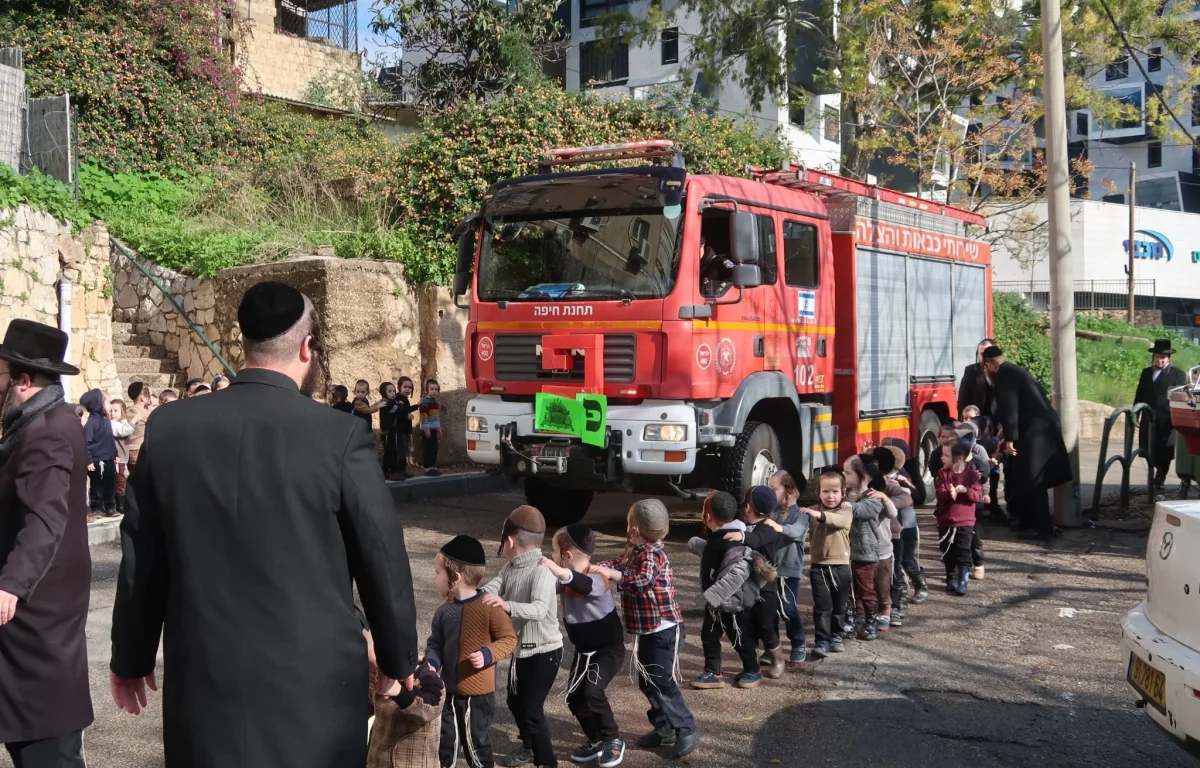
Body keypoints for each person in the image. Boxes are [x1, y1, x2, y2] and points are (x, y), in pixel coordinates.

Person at [109, 280, 420, 768]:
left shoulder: (171, 428)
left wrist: (131, 658)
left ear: (243, 343)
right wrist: (398, 659)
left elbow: (142, 558)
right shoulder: (338, 435)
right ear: (306, 347)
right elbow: (381, 552)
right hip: (314, 692)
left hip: (205, 685)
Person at [0, 320, 93, 768]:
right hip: (40, 617)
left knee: (46, 744)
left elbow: (45, 518)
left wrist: (12, 584)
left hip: (37, 619)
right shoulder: (42, 420)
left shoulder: (47, 431)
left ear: (21, 381)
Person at [592, 500, 698, 759]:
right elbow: (621, 563)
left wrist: (615, 576)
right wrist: (601, 567)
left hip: (664, 629)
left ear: (635, 529)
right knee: (648, 682)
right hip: (648, 630)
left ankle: (686, 728)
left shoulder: (652, 554)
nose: (627, 528)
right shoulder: (636, 549)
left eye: (628, 524)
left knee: (662, 682)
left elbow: (642, 581)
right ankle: (665, 728)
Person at [479, 506, 562, 768]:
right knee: (515, 701)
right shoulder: (511, 567)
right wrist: (474, 593)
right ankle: (528, 745)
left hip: (545, 651)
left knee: (532, 708)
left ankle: (546, 761)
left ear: (510, 541)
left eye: (502, 540)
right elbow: (494, 587)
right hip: (522, 650)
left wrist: (507, 606)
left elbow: (538, 609)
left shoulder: (541, 570)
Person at [428, 535, 517, 768]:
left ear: (455, 578)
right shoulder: (443, 612)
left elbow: (509, 639)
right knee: (445, 744)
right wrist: (432, 663)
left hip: (477, 696)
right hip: (448, 691)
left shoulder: (489, 607)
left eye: (438, 572)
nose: (435, 577)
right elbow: (435, 643)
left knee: (476, 745)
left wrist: (488, 654)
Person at [541, 525, 627, 768]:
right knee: (574, 697)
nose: (553, 557)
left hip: (608, 649)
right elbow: (548, 587)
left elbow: (581, 584)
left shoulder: (597, 578)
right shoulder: (565, 578)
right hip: (584, 650)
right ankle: (596, 738)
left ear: (567, 556)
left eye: (554, 552)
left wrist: (556, 570)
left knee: (592, 691)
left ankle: (613, 739)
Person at [983, 345, 1073, 543]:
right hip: (1036, 431)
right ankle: (1027, 521)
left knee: (1034, 480)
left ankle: (1041, 528)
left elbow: (1010, 408)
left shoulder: (1004, 376)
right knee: (1024, 478)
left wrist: (1010, 438)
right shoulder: (1013, 371)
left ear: (988, 365)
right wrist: (1007, 433)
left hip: (1036, 433)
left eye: (985, 368)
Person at [687, 491, 757, 690]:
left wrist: (715, 596)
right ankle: (713, 672)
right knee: (709, 635)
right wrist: (699, 546)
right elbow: (716, 560)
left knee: (739, 636)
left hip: (731, 602)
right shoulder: (723, 537)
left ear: (707, 516)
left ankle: (752, 669)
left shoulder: (725, 541)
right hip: (716, 602)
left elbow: (737, 571)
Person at [725, 486, 786, 679]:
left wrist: (741, 537)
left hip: (765, 586)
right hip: (746, 585)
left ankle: (778, 658)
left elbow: (757, 539)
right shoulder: (743, 525)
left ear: (749, 506)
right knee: (748, 623)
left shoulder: (768, 528)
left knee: (766, 624)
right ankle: (750, 664)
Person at [803, 470, 854, 659]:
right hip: (818, 566)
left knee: (839, 605)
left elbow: (840, 521)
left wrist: (818, 514)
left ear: (843, 493)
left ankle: (836, 636)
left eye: (835, 491)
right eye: (826, 491)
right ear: (818, 492)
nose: (830, 496)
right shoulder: (812, 511)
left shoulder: (846, 509)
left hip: (841, 566)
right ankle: (822, 641)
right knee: (822, 606)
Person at [760, 470, 808, 664]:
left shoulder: (801, 514)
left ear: (791, 491)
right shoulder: (771, 512)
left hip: (789, 571)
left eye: (774, 489)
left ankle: (798, 642)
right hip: (769, 570)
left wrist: (778, 527)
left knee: (787, 608)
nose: (771, 493)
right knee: (768, 611)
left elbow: (797, 531)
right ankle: (771, 648)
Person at [844, 455, 892, 641]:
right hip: (845, 553)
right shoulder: (846, 495)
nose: (844, 476)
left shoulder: (873, 497)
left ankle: (870, 623)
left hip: (865, 553)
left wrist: (842, 505)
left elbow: (862, 511)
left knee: (866, 591)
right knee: (847, 589)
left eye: (847, 473)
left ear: (862, 476)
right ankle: (853, 620)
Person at [367, 656, 445, 768]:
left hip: (413, 763)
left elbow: (429, 710)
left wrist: (398, 692)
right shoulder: (377, 673)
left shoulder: (428, 676)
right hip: (377, 761)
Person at [1134, 339, 1187, 490]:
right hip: (1148, 416)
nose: (1160, 359)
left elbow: (1181, 396)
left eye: (1163, 357)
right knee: (1148, 448)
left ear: (1169, 358)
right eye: (1157, 356)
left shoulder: (1178, 374)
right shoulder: (1146, 373)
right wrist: (1136, 412)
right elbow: (1139, 394)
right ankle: (1153, 474)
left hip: (1167, 419)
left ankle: (1161, 477)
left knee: (1165, 449)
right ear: (1154, 357)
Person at [935, 441, 981, 596]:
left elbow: (977, 495)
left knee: (963, 550)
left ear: (959, 458)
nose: (942, 458)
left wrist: (965, 490)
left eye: (947, 455)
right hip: (946, 520)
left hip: (965, 521)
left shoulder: (971, 475)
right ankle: (951, 578)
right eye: (943, 454)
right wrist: (949, 493)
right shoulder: (943, 474)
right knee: (947, 551)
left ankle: (963, 580)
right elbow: (940, 492)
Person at [80, 389, 118, 518]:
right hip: (96, 460)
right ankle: (97, 507)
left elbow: (110, 439)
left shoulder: (106, 421)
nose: (110, 406)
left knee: (110, 484)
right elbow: (86, 442)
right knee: (97, 485)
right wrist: (89, 460)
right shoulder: (91, 422)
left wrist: (115, 454)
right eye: (107, 402)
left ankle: (110, 507)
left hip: (108, 459)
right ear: (98, 404)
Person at [957, 338, 996, 420]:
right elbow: (963, 400)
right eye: (981, 354)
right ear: (977, 354)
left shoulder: (1002, 372)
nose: (984, 357)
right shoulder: (970, 371)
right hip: (977, 421)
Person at [109, 398, 134, 517]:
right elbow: (124, 431)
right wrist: (135, 419)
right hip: (117, 457)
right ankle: (120, 505)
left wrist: (124, 419)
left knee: (122, 479)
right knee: (120, 480)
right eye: (111, 410)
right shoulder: (112, 424)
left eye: (116, 410)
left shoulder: (121, 422)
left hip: (123, 457)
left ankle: (121, 502)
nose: (112, 413)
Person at [125, 382, 153, 470]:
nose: (151, 398)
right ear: (142, 396)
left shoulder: (126, 411)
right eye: (150, 395)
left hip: (127, 450)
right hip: (139, 450)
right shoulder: (146, 413)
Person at [420, 379, 442, 476]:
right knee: (428, 449)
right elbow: (424, 417)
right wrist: (426, 430)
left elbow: (436, 418)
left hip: (434, 429)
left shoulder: (434, 402)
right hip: (428, 430)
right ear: (426, 391)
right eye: (432, 389)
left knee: (434, 448)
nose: (434, 391)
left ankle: (432, 467)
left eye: (436, 389)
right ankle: (427, 468)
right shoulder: (425, 403)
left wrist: (438, 428)